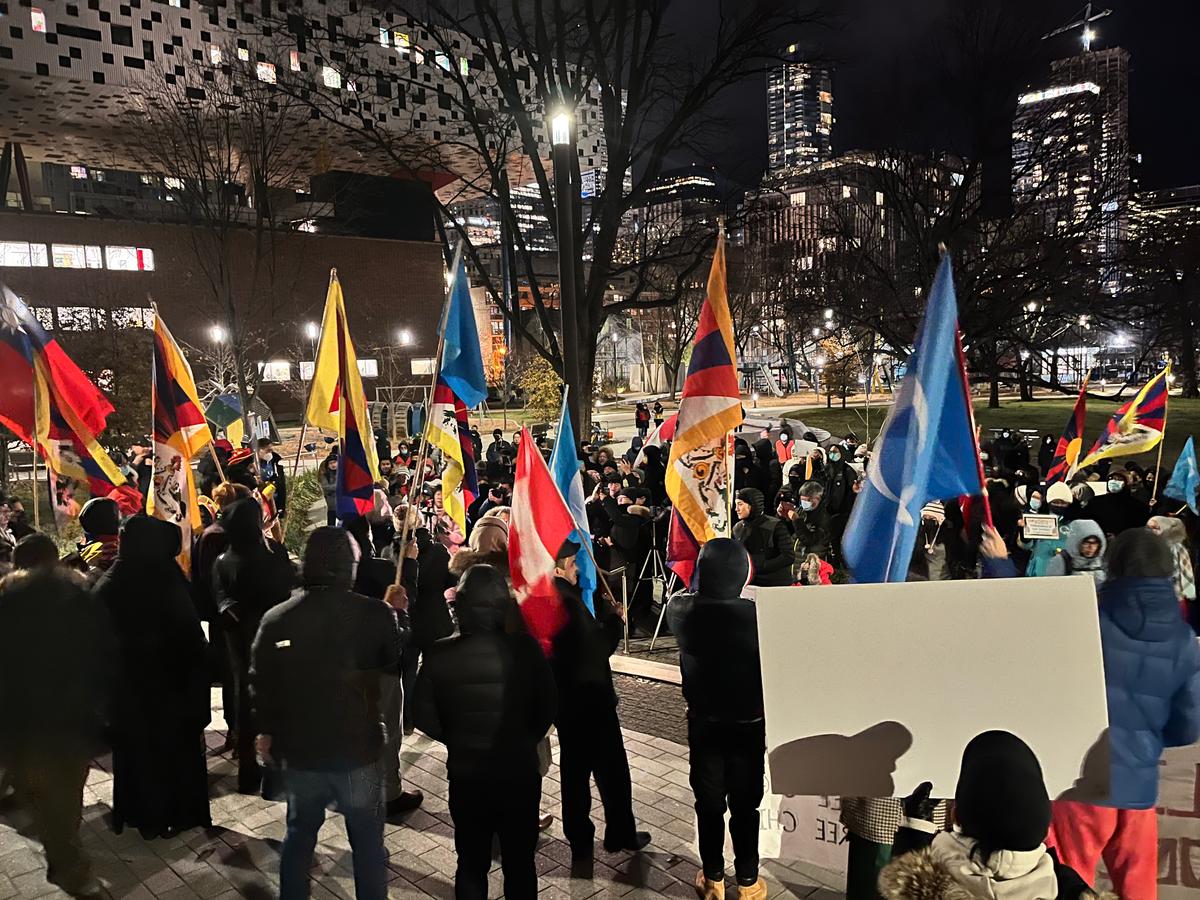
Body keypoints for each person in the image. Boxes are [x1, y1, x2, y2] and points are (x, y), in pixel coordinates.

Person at [250, 528, 402, 900]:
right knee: (368, 844)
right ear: (349, 565)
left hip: (301, 750)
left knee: (299, 836)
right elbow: (392, 662)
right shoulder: (373, 613)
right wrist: (396, 616)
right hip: (358, 748)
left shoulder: (278, 618)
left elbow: (261, 681)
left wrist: (266, 729)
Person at [1049, 528, 1200, 898]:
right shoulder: (1183, 638)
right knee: (1139, 887)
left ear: (1113, 565)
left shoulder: (1085, 621)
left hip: (1080, 783)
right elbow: (1187, 727)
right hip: (1140, 786)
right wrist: (1144, 735)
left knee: (1070, 882)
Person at [413, 565, 558, 900]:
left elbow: (421, 714)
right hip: (518, 773)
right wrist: (524, 739)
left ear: (462, 605)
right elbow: (549, 705)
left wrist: (457, 737)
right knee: (520, 863)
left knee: (471, 862)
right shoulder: (525, 649)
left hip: (468, 775)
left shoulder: (439, 653)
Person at [0, 534, 115, 898]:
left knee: (46, 796)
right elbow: (103, 654)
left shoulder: (8, 602)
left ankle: (65, 860)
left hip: (24, 723)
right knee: (65, 795)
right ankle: (69, 865)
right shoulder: (78, 595)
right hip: (71, 720)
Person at [94, 517, 211, 839]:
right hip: (168, 691)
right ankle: (171, 815)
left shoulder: (110, 582)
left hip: (129, 693)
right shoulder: (164, 578)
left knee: (138, 758)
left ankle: (142, 816)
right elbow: (189, 636)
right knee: (169, 756)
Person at [667, 539, 767, 900]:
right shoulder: (760, 616)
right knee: (746, 806)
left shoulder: (680, 611)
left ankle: (713, 880)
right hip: (749, 727)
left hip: (705, 724)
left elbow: (683, 594)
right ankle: (748, 881)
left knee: (709, 804)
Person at [882, 732, 1093, 900]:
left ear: (955, 816)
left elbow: (913, 887)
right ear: (1046, 830)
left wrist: (913, 831)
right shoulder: (1066, 888)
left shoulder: (919, 888)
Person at [551, 541, 650, 863]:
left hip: (567, 702)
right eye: (572, 564)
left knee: (574, 773)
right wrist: (615, 621)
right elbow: (595, 649)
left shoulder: (550, 598)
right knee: (612, 772)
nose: (577, 569)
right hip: (591, 701)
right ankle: (621, 832)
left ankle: (580, 839)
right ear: (558, 568)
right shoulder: (566, 602)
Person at [213, 498, 297, 794]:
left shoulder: (223, 560)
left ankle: (249, 771)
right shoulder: (272, 555)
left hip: (241, 642)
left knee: (247, 702)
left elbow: (219, 596)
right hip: (273, 639)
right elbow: (287, 589)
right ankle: (276, 771)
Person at [732, 488, 795, 588]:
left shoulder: (775, 526)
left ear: (753, 505)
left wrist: (763, 565)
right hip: (748, 584)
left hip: (775, 586)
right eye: (736, 504)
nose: (736, 509)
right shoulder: (737, 528)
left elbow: (788, 556)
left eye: (740, 504)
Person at [1148, 515, 1196, 623]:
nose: (1151, 531)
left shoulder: (1177, 547)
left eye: (1155, 528)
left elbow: (1186, 570)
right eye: (1149, 528)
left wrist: (1189, 591)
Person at [1086, 469, 1149, 537]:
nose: (1114, 481)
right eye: (1112, 478)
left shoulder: (1136, 506)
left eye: (1119, 479)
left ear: (1127, 483)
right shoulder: (1095, 502)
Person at [1045, 519, 1107, 587]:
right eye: (1086, 543)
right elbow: (1052, 587)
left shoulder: (1103, 562)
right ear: (1076, 542)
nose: (1091, 547)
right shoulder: (1062, 561)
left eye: (1095, 543)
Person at [785, 481, 831, 563]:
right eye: (802, 500)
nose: (805, 503)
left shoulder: (824, 518)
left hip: (812, 562)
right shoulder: (801, 511)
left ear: (819, 499)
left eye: (809, 500)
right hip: (796, 559)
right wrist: (783, 516)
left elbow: (809, 539)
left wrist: (796, 520)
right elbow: (789, 532)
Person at [318, 451, 339, 527]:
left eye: (334, 462)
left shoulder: (342, 473)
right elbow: (325, 486)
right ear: (328, 465)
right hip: (332, 502)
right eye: (331, 463)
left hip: (343, 501)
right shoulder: (325, 475)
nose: (333, 465)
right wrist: (339, 486)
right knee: (331, 522)